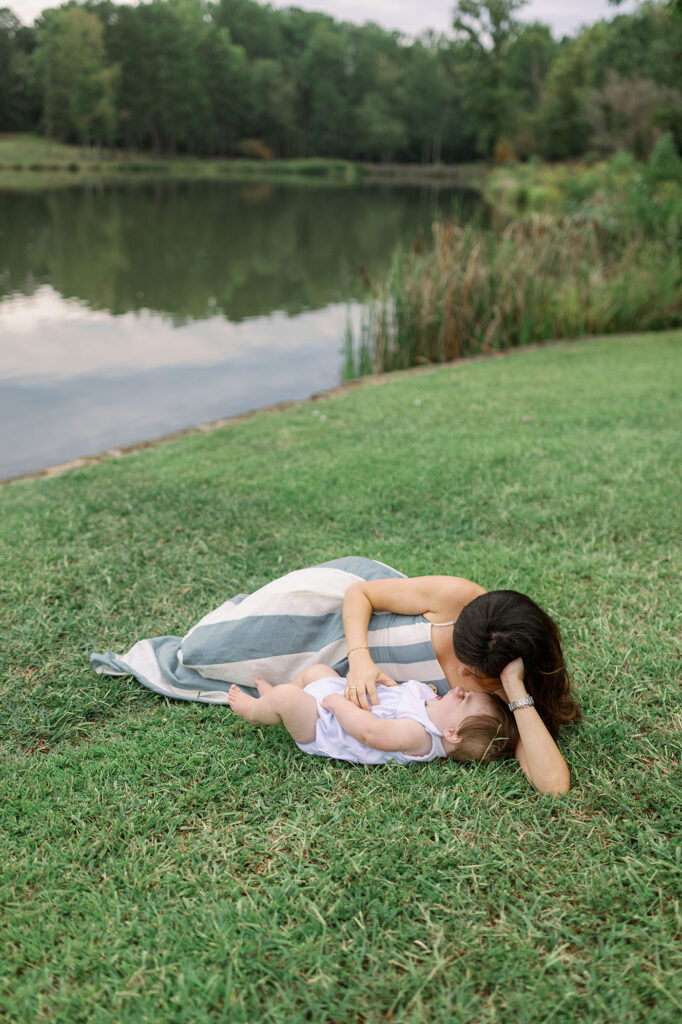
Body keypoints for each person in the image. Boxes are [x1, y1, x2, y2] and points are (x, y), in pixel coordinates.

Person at [91, 555, 580, 795]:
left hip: (326, 683)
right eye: (462, 662)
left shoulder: (498, 709)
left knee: (206, 658)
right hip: (342, 632)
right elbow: (361, 596)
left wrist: (517, 691)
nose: (460, 676)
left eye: (475, 675)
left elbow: (554, 785)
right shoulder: (463, 598)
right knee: (205, 645)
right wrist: (362, 657)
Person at [226, 663, 519, 766]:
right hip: (335, 695)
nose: (458, 690)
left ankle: (255, 711)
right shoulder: (432, 704)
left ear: (452, 733)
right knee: (316, 673)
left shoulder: (418, 735)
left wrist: (341, 706)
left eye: (464, 698)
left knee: (288, 699)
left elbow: (371, 733)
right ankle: (273, 702)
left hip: (324, 726)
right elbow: (397, 692)